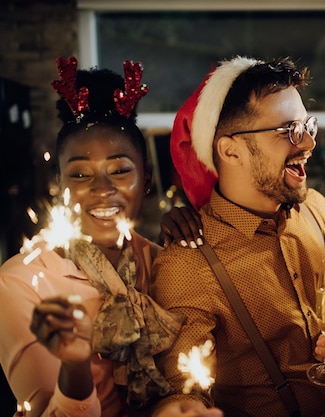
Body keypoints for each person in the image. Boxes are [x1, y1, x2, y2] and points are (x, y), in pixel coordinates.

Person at [149, 56, 325, 417]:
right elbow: (182, 389)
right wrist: (183, 408)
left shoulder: (317, 209)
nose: (308, 143)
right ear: (231, 150)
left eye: (308, 125)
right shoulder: (188, 262)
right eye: (289, 129)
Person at [0, 56, 221, 417]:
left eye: (119, 170)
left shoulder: (163, 261)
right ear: (58, 183)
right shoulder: (22, 282)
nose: (102, 190)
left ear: (146, 179)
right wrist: (74, 366)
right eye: (80, 175)